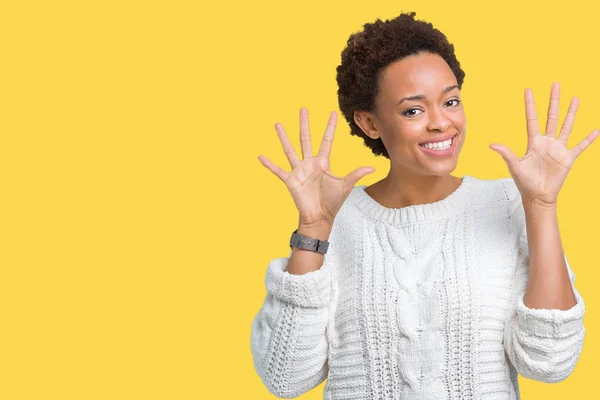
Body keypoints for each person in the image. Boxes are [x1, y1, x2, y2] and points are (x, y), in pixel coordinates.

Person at [251, 11, 595, 399]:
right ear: (369, 123)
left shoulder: (508, 204)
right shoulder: (334, 221)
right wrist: (312, 229)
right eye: (413, 110)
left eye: (450, 101)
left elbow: (550, 362)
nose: (441, 123)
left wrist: (542, 206)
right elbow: (285, 376)